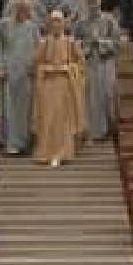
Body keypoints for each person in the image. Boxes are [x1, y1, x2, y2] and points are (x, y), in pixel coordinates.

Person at [31, 10, 86, 167]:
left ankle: (64, 152)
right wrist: (46, 69)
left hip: (65, 85)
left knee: (64, 120)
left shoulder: (70, 42)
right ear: (49, 25)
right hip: (48, 85)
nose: (56, 25)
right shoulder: (44, 43)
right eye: (53, 22)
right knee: (48, 118)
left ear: (63, 24)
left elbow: (81, 65)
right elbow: (36, 64)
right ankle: (46, 152)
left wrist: (68, 69)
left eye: (59, 21)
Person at [0, 0, 39, 154]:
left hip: (26, 74)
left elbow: (38, 49)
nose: (23, 12)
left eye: (26, 9)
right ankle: (10, 143)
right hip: (9, 73)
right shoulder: (3, 26)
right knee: (9, 109)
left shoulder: (33, 27)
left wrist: (35, 66)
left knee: (25, 109)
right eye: (20, 9)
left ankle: (24, 142)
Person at [76, 0, 121, 141]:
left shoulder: (109, 21)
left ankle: (108, 130)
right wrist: (85, 47)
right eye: (89, 2)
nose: (92, 5)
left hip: (105, 62)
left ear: (100, 2)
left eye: (94, 2)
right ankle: (91, 130)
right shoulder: (81, 23)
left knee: (106, 95)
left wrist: (100, 42)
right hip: (88, 62)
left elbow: (117, 43)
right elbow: (75, 44)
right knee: (90, 97)